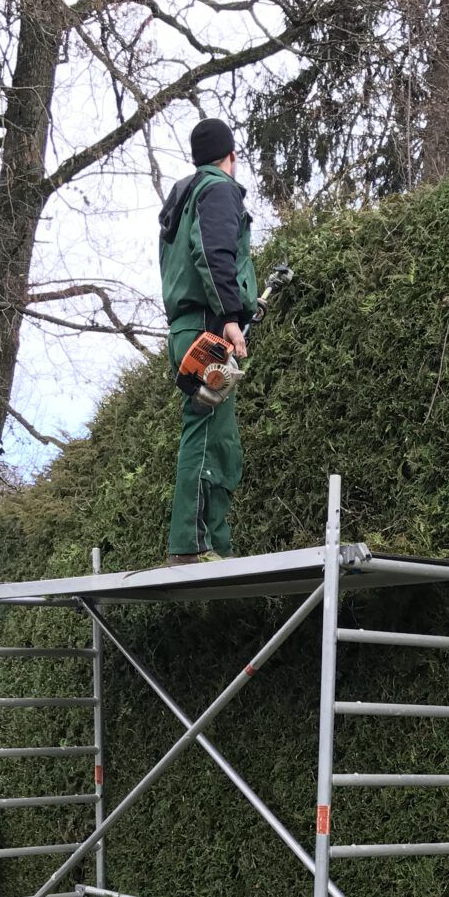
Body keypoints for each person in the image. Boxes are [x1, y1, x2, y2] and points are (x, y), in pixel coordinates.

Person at [158, 117, 258, 565]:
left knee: (215, 434)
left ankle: (210, 543)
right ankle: (193, 547)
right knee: (207, 436)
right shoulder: (218, 190)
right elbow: (214, 253)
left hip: (186, 329)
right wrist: (232, 318)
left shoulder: (181, 200)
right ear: (230, 157)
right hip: (207, 329)